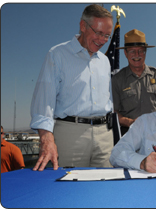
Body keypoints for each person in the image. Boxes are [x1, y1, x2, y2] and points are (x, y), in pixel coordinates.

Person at [30, 4, 114, 171]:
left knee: (105, 190)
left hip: (105, 136)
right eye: (98, 33)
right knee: (67, 190)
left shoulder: (105, 61)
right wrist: (46, 139)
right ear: (83, 26)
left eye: (107, 35)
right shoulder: (57, 54)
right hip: (70, 136)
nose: (102, 40)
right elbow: (43, 101)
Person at [112, 29, 156, 135]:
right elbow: (114, 112)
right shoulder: (117, 80)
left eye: (141, 51)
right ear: (125, 53)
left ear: (145, 52)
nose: (137, 55)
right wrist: (130, 122)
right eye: (132, 51)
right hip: (130, 136)